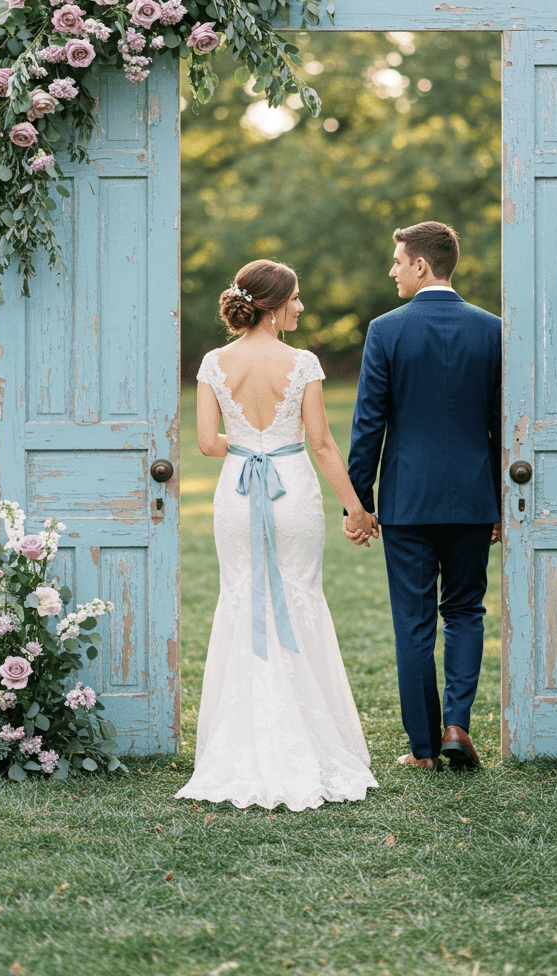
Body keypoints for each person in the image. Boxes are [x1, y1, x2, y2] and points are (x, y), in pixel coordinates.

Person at [174, 259, 378, 811]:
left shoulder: (214, 363)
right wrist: (357, 510)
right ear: (272, 303)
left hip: (237, 491)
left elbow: (207, 444)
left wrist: (246, 443)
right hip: (292, 489)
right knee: (299, 598)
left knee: (241, 597)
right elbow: (323, 445)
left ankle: (237, 748)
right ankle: (310, 744)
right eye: (295, 298)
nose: (301, 307)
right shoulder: (303, 362)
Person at [345, 222, 501, 771]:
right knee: (464, 611)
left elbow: (369, 425)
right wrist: (500, 500)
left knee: (414, 622)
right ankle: (457, 724)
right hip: (473, 498)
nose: (391, 270)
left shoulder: (386, 331)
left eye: (397, 261)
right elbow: (500, 425)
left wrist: (358, 504)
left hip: (408, 501)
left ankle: (424, 750)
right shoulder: (493, 330)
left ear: (421, 265)